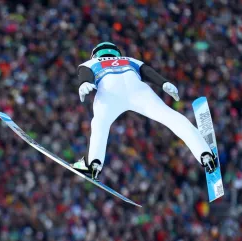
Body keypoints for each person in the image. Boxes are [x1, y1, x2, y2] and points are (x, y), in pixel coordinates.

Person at [72, 42, 218, 180]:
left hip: (109, 93)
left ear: (95, 54)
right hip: (139, 92)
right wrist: (164, 83)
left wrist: (84, 82)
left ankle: (94, 165)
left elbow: (85, 72)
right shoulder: (129, 59)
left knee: (99, 125)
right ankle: (205, 155)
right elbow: (146, 71)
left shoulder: (90, 62)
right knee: (172, 118)